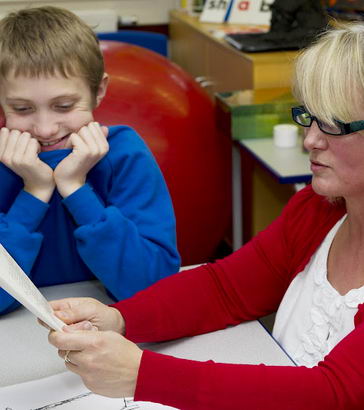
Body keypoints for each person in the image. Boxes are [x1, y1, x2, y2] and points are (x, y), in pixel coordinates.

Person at [47, 22, 364, 409]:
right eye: (309, 117)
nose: (310, 139)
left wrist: (143, 375)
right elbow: (226, 289)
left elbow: (336, 395)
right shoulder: (320, 210)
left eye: (333, 123)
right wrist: (119, 319)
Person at [0, 6, 180, 315]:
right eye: (22, 109)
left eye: (64, 105)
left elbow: (153, 288)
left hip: (109, 328)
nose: (45, 128)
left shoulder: (124, 155)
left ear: (99, 91)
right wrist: (35, 191)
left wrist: (75, 188)